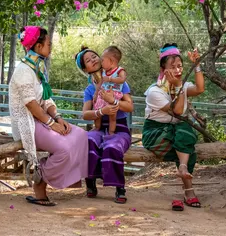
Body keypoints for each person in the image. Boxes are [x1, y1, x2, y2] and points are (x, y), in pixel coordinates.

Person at [9, 26, 88, 206]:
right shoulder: (23, 71)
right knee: (64, 149)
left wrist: (58, 118)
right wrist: (52, 124)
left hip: (42, 120)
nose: (50, 46)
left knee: (81, 135)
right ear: (38, 47)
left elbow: (45, 99)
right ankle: (40, 180)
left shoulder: (37, 68)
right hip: (27, 124)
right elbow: (31, 104)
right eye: (48, 43)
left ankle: (56, 178)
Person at [142, 43, 204, 210]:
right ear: (163, 69)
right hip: (155, 133)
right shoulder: (155, 92)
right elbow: (177, 111)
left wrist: (197, 64)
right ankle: (189, 191)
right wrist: (179, 87)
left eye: (180, 66)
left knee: (183, 133)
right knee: (186, 143)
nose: (177, 70)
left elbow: (199, 88)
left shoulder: (181, 85)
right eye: (173, 67)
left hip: (176, 131)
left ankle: (183, 168)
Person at [75, 46, 134, 203]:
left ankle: (119, 187)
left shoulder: (120, 84)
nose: (93, 60)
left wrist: (114, 102)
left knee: (112, 145)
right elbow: (86, 114)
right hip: (99, 127)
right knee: (89, 140)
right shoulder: (89, 90)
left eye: (94, 56)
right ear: (85, 69)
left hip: (120, 128)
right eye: (88, 60)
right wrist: (102, 111)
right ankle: (90, 181)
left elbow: (130, 107)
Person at [93, 46, 127, 134]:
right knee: (97, 111)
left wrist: (110, 79)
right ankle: (97, 127)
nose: (101, 62)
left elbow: (122, 79)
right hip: (103, 94)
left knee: (112, 116)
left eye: (103, 60)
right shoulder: (104, 71)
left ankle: (111, 132)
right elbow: (100, 82)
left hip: (113, 94)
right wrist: (96, 93)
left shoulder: (120, 70)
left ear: (111, 61)